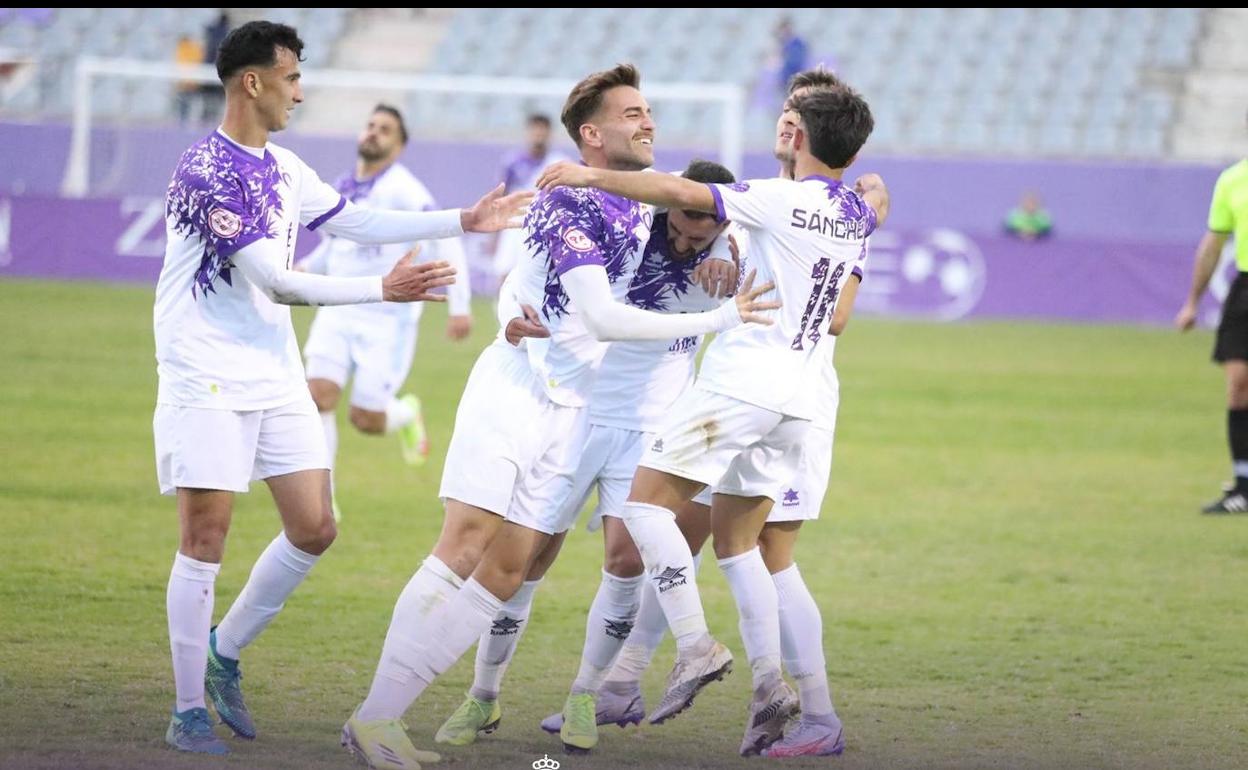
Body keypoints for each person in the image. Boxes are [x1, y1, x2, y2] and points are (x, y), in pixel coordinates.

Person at [341, 64, 777, 770]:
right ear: (592, 134)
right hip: (517, 390)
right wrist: (727, 315)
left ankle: (392, 714)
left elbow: (701, 217)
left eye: (648, 110)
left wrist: (722, 256)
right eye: (633, 113)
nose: (649, 122)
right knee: (465, 545)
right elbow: (601, 314)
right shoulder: (565, 203)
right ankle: (379, 716)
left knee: (509, 571)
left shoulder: (636, 201)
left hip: (571, 409)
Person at [153, 21, 529, 756]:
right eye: (291, 76)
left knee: (315, 527)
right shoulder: (205, 171)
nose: (301, 89)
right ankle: (187, 707)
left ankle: (225, 652)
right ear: (252, 82)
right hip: (204, 371)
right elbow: (277, 279)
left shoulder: (287, 169)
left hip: (272, 368)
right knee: (205, 539)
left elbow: (357, 217)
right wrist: (380, 291)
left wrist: (462, 219)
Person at [536, 83, 887, 757]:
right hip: (798, 404)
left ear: (805, 136)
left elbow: (685, 193)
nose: (783, 124)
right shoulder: (855, 213)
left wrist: (586, 173)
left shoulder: (779, 198)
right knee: (736, 543)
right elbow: (865, 220)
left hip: (741, 386)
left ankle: (696, 648)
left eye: (792, 118)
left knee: (643, 508)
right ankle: (765, 688)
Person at [434, 159, 744, 754]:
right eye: (679, 224)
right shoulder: (629, 221)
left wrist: (730, 249)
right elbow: (526, 279)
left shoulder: (734, 242)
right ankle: (483, 694)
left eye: (703, 232)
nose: (686, 238)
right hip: (578, 412)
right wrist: (508, 319)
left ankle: (585, 692)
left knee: (626, 561)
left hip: (651, 425)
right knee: (524, 560)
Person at [298, 105, 472, 518]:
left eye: (385, 130)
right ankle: (324, 499)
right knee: (317, 396)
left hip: (385, 320)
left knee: (366, 419)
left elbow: (445, 236)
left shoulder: (405, 191)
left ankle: (406, 412)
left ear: (400, 145)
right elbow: (338, 246)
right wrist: (305, 269)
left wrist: (459, 305)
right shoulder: (346, 187)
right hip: (339, 306)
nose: (374, 133)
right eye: (371, 125)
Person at [1177, 146, 1248, 513]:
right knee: (1238, 385)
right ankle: (1243, 487)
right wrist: (1192, 301)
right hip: (1245, 289)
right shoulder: (1233, 180)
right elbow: (1213, 244)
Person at [490, 113, 574, 281]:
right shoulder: (513, 162)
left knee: (540, 274)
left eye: (543, 131)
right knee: (505, 271)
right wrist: (494, 232)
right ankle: (503, 306)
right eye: (536, 130)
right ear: (528, 132)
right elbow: (499, 196)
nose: (539, 135)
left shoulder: (559, 163)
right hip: (515, 223)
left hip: (546, 225)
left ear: (549, 133)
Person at [174, 34, 205, 124]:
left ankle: (186, 123)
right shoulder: (191, 49)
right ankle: (186, 123)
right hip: (188, 83)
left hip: (188, 83)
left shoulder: (188, 49)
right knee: (186, 106)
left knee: (187, 105)